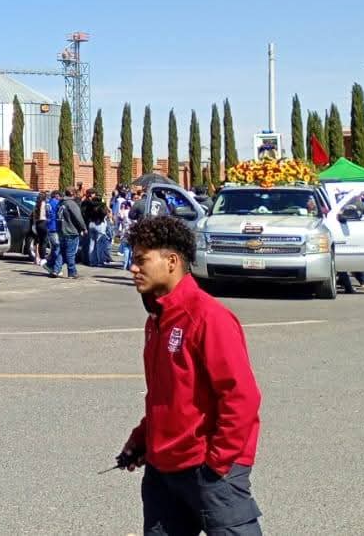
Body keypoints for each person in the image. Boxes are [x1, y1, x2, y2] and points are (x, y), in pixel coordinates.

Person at [119, 215, 264, 535]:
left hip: (210, 471)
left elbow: (241, 397)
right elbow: (168, 394)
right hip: (163, 472)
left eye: (142, 260)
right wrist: (144, 438)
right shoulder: (157, 320)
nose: (133, 268)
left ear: (171, 261)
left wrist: (218, 462)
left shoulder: (209, 317)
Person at [52, 188, 84, 279]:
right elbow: (78, 217)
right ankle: (72, 272)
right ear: (72, 194)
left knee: (62, 252)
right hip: (71, 231)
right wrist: (84, 228)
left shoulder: (60, 203)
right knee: (70, 253)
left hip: (61, 230)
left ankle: (56, 270)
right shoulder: (71, 204)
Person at [81, 189, 109, 267]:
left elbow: (85, 213)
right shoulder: (101, 205)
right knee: (99, 243)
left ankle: (92, 261)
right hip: (99, 223)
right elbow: (104, 213)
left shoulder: (88, 204)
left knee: (91, 243)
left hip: (91, 223)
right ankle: (100, 261)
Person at [30, 191, 49, 266]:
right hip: (44, 223)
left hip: (37, 224)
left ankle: (40, 258)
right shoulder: (45, 204)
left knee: (40, 242)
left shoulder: (36, 205)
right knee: (44, 241)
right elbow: (48, 214)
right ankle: (43, 258)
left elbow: (34, 216)